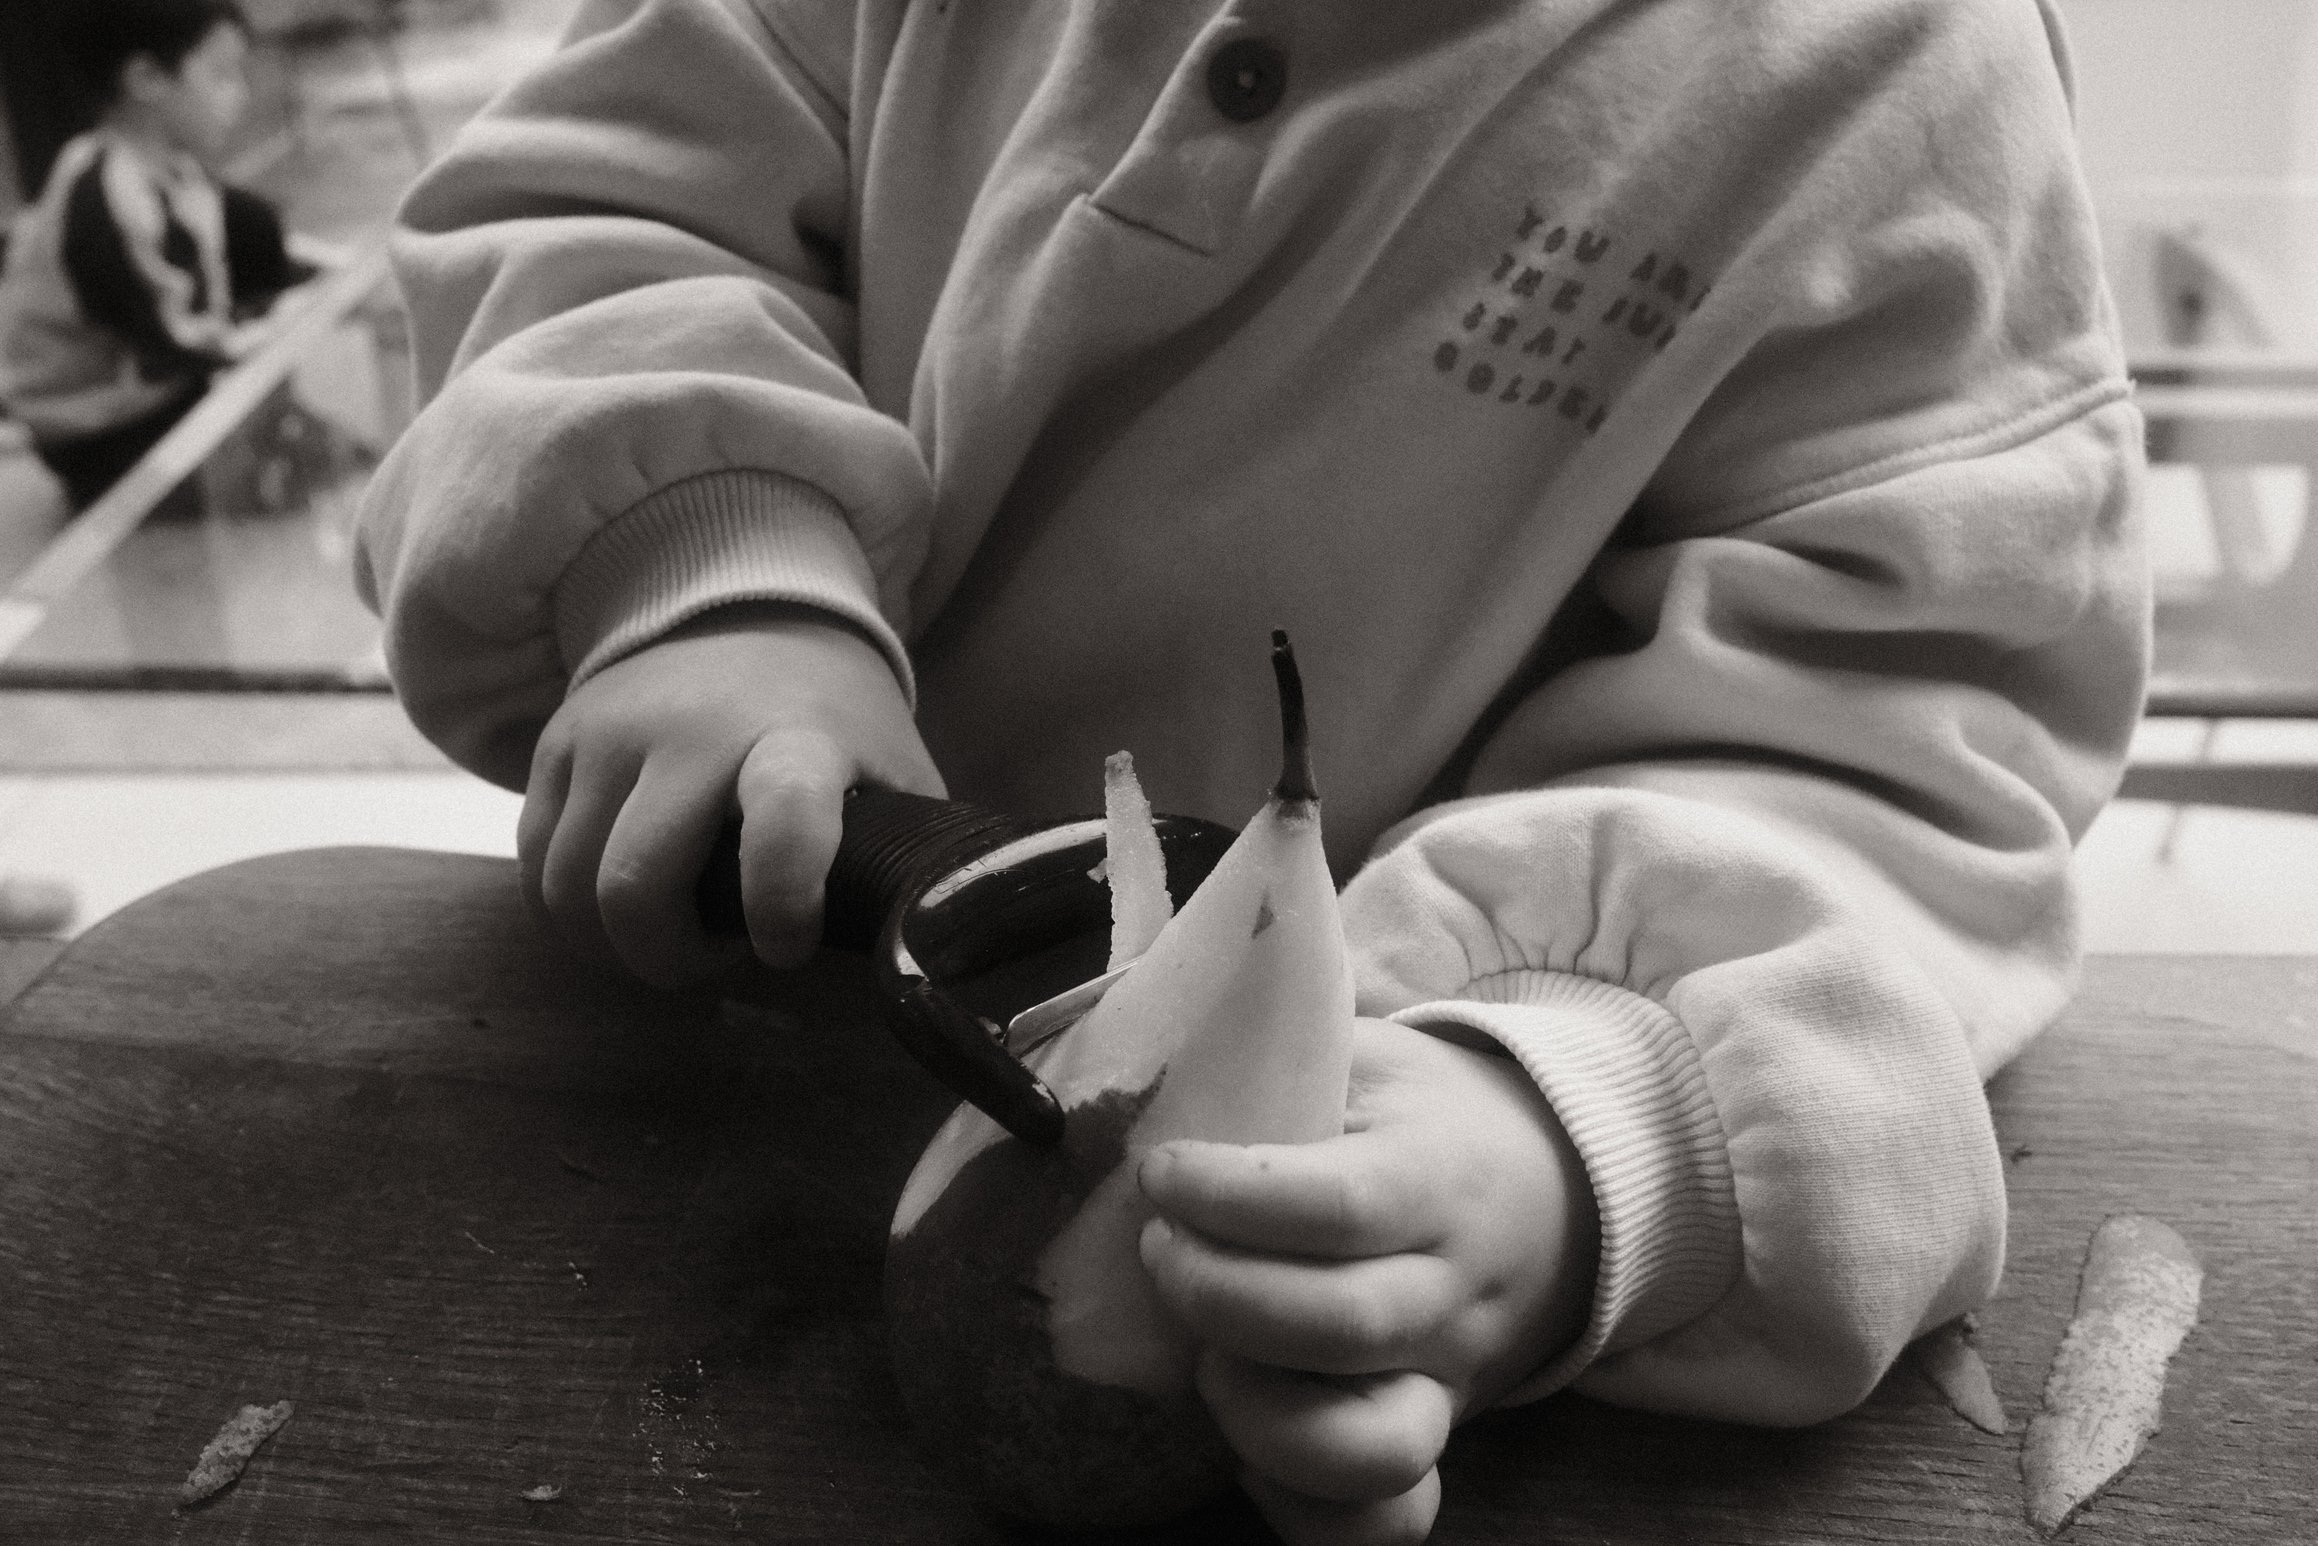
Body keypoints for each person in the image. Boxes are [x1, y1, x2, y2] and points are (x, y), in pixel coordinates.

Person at [355, 1, 2148, 1540]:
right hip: (757, 1057)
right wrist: (706, 556)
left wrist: (1575, 1118)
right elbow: (611, 194)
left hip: (1320, 1242)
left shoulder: (1889, 83)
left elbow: (1889, 735)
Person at [0, 0, 314, 513]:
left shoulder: (171, 172)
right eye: (220, 75)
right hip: (100, 432)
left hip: (156, 385)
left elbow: (236, 247)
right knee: (290, 489)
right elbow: (166, 339)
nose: (241, 95)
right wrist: (264, 334)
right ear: (147, 78)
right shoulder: (101, 196)